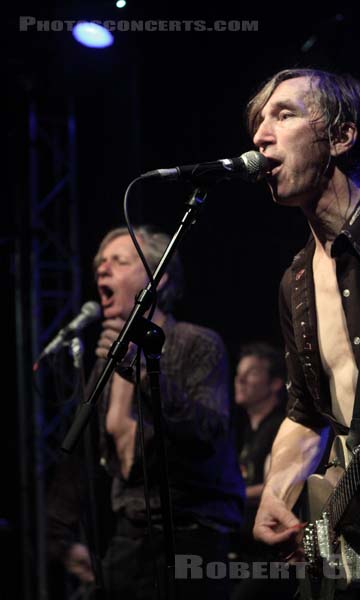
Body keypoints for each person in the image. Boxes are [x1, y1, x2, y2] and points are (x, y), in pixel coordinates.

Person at [246, 68, 360, 597]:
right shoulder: (295, 282)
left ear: (341, 136)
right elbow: (308, 411)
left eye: (283, 114)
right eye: (258, 122)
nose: (260, 135)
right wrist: (276, 490)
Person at [47, 225, 245, 600]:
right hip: (130, 536)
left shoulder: (196, 343)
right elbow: (81, 454)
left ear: (158, 279)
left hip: (191, 535)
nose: (102, 270)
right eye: (99, 263)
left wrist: (139, 369)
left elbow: (208, 431)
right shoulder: (105, 362)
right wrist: (57, 538)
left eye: (119, 261)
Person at [231, 341, 297, 599]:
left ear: (275, 383)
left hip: (271, 560)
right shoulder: (245, 433)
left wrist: (228, 495)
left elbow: (276, 486)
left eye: (252, 373)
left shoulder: (280, 429)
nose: (241, 379)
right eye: (239, 373)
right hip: (246, 553)